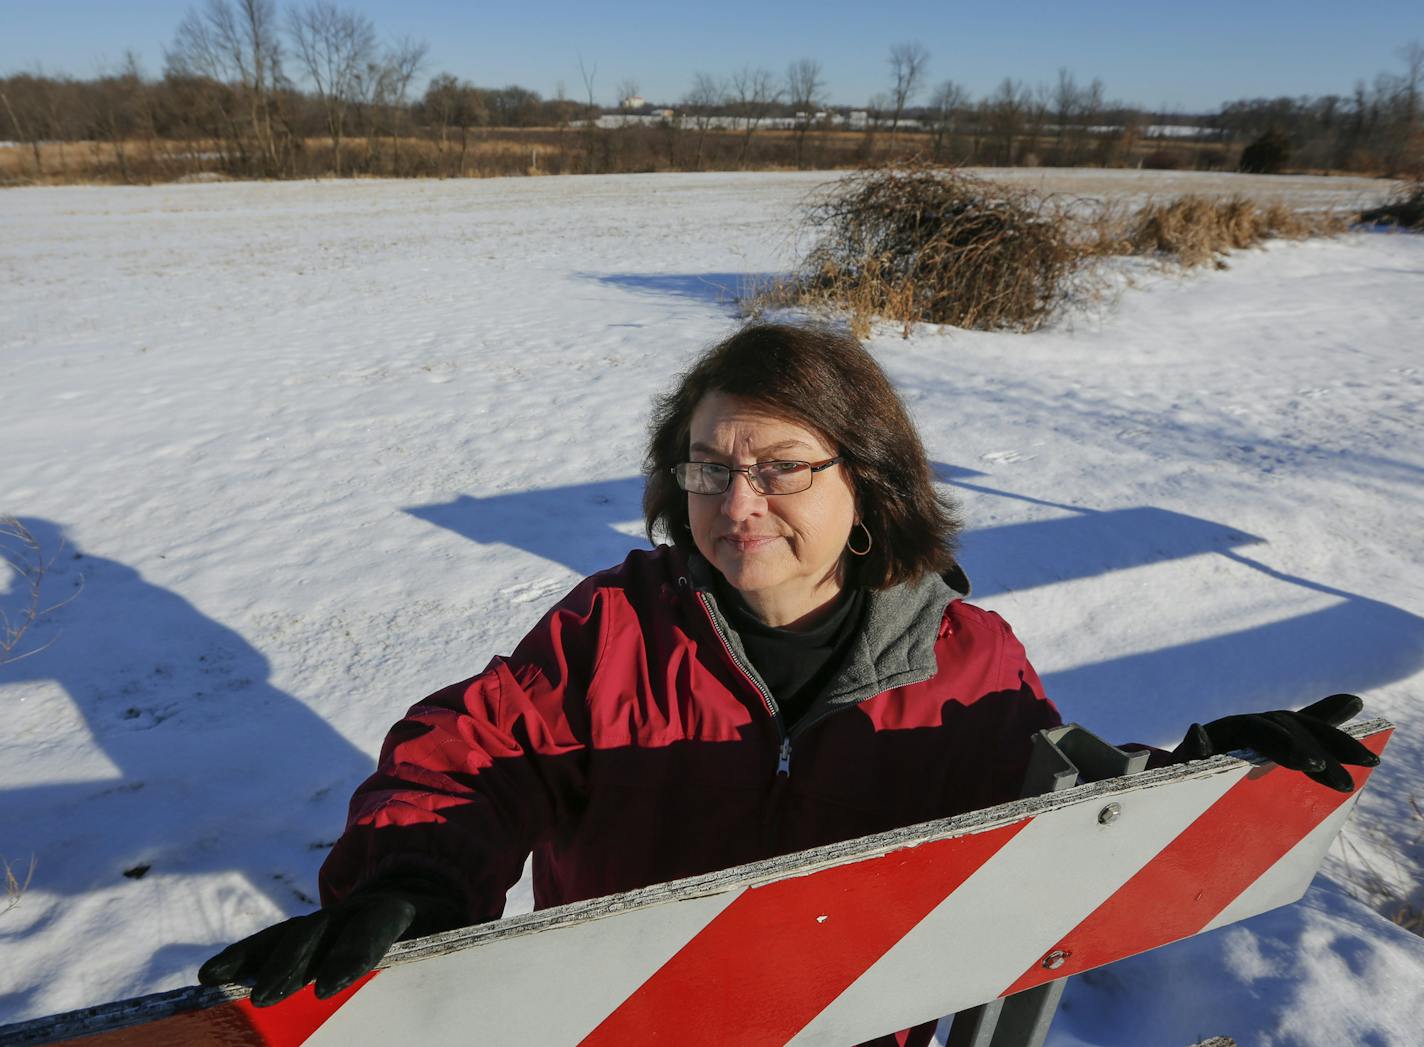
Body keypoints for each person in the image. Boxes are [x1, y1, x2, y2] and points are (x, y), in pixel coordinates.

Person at [199, 323, 1378, 1036]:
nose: (735, 503)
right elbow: (473, 757)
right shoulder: (612, 627)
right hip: (617, 1026)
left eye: (778, 467)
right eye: (706, 466)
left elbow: (1048, 827)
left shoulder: (966, 661)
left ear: (864, 481)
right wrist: (409, 880)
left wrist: (1205, 781)